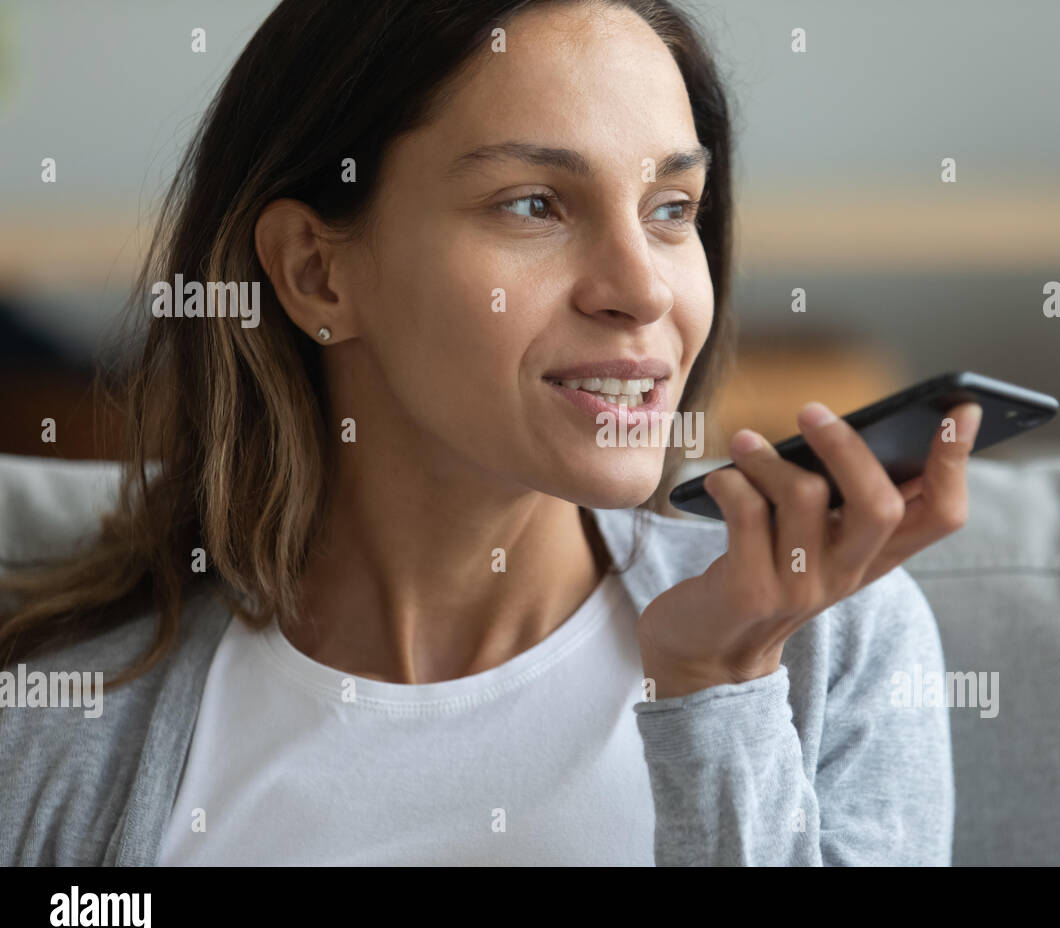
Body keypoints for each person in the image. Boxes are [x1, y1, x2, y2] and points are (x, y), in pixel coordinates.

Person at [0, 0, 980, 866]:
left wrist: (717, 689)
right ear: (315, 272)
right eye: (535, 204)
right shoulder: (59, 723)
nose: (642, 289)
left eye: (671, 209)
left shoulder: (825, 642)